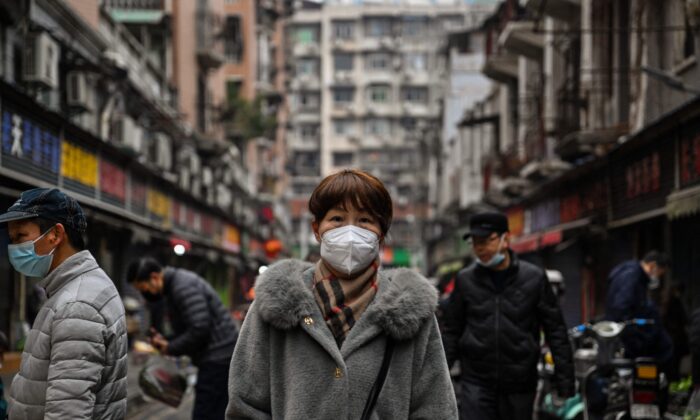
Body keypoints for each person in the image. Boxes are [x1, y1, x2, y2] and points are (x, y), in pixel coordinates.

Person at [226, 169, 458, 419]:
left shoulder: (410, 310)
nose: (350, 232)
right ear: (317, 229)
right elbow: (245, 406)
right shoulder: (276, 304)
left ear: (381, 234)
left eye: (365, 221)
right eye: (337, 218)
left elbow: (436, 408)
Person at [0, 187, 127, 419]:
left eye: (20, 237)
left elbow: (68, 411)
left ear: (55, 235)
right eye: (11, 239)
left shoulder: (77, 305)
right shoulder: (77, 288)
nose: (14, 248)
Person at [442, 211, 575, 420]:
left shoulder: (534, 278)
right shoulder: (465, 280)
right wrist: (438, 378)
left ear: (506, 239)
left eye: (487, 240)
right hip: (476, 382)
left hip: (520, 383)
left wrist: (565, 382)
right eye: (475, 242)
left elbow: (555, 330)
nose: (480, 248)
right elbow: (451, 331)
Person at [126, 257, 239, 420]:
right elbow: (191, 326)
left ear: (155, 277)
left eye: (144, 289)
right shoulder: (175, 286)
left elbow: (200, 329)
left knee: (205, 413)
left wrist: (170, 347)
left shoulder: (182, 287)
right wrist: (167, 340)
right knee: (215, 412)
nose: (145, 295)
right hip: (218, 357)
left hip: (218, 358)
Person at [605, 250, 673, 363]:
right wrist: (632, 333)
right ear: (652, 266)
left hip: (625, 330)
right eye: (660, 273)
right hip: (626, 332)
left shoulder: (631, 272)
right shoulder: (632, 276)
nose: (659, 277)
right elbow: (621, 306)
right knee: (664, 346)